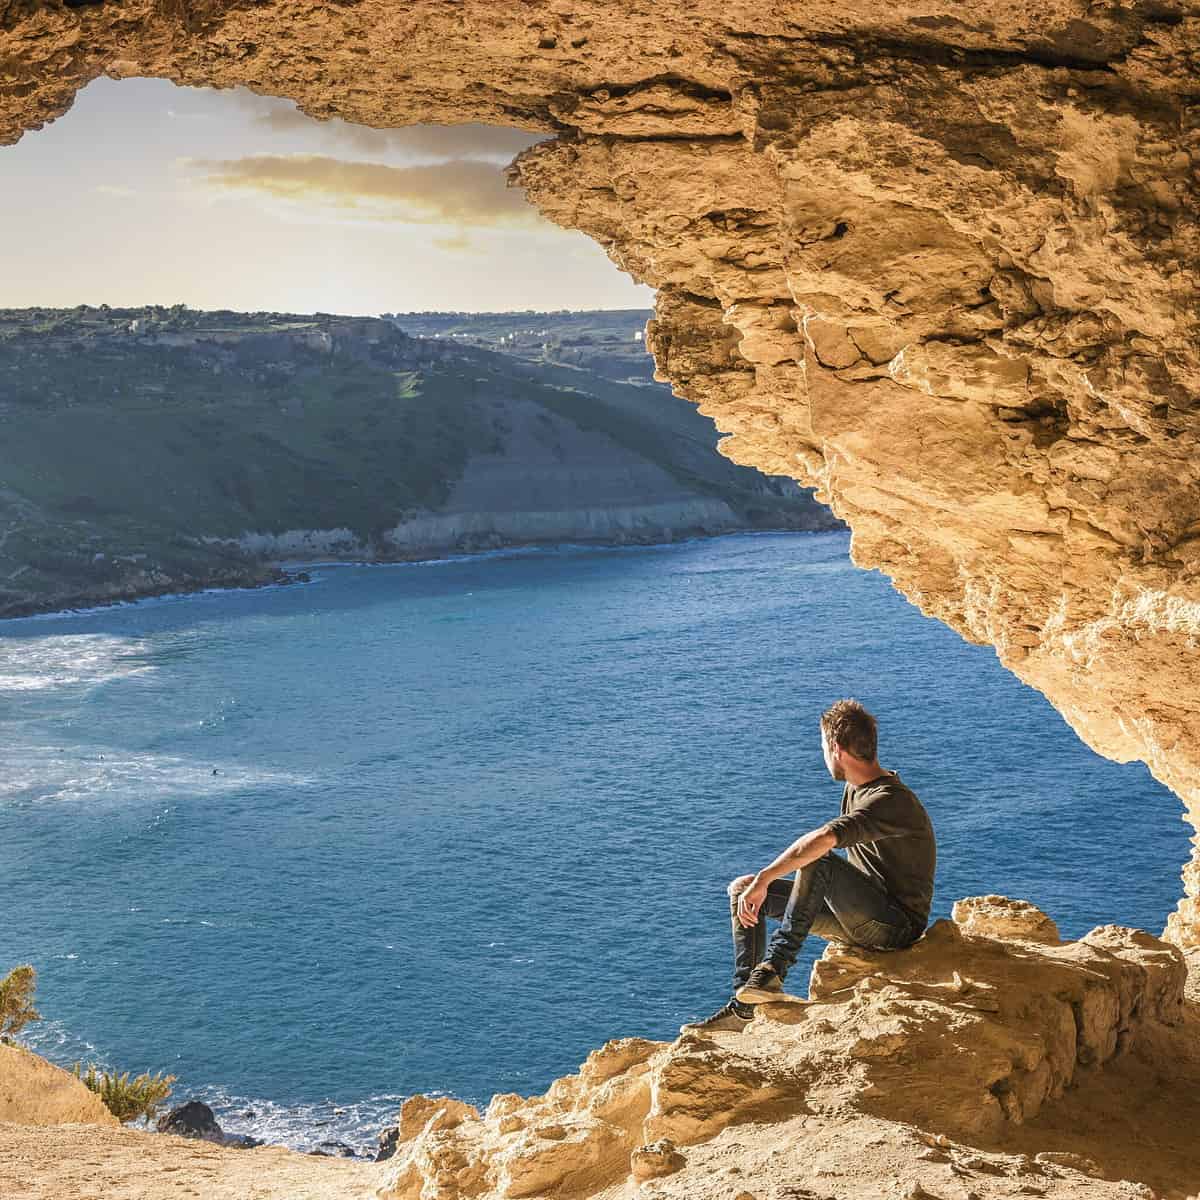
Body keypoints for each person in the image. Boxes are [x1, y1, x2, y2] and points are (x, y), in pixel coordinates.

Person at [682, 699, 936, 1034]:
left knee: (820, 860)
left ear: (835, 748)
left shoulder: (889, 800)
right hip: (860, 916)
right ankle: (744, 1006)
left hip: (895, 927)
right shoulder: (856, 788)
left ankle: (773, 970)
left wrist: (767, 877)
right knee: (742, 891)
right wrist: (757, 885)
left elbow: (821, 841)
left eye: (822, 747)